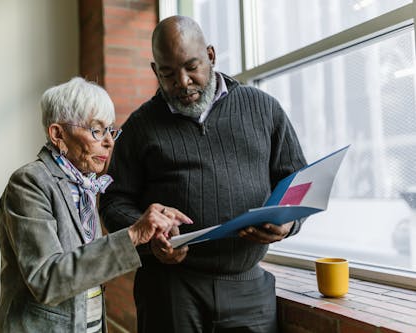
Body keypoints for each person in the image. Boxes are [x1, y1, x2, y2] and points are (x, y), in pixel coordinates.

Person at [99, 15, 307, 333]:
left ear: (210, 55)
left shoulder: (263, 108)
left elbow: (297, 181)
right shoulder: (140, 126)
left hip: (247, 288)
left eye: (191, 67)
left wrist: (289, 222)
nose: (182, 82)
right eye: (168, 73)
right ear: (155, 71)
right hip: (169, 290)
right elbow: (114, 202)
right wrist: (150, 237)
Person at [0, 77, 192, 333]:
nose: (109, 142)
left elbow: (87, 261)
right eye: (97, 130)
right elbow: (47, 280)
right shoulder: (29, 183)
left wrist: (150, 240)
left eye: (110, 130)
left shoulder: (85, 184)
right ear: (58, 134)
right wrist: (133, 234)